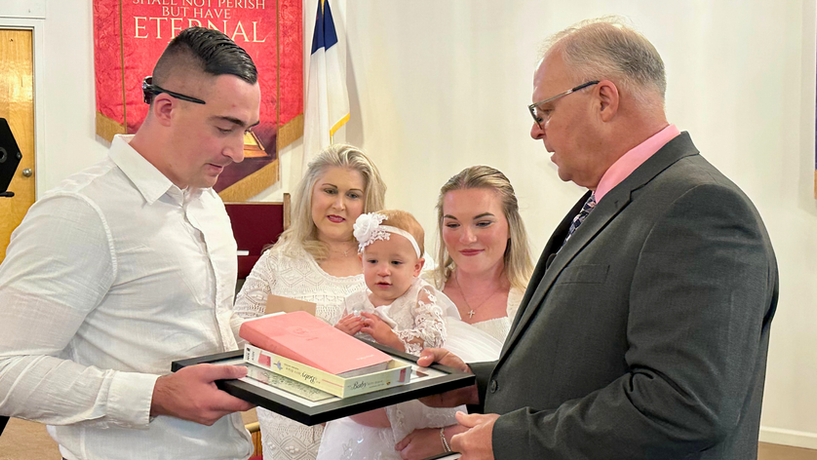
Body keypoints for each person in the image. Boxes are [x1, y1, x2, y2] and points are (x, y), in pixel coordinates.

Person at [418, 17, 778, 460]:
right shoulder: (616, 199)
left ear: (604, 99)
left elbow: (682, 404)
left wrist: (512, 439)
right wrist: (474, 383)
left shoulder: (699, 208)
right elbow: (588, 357)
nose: (536, 130)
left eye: (544, 111)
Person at [0, 27, 261, 459]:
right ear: (166, 108)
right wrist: (154, 395)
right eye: (225, 127)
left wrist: (260, 338)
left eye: (247, 130)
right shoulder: (81, 211)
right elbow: (7, 370)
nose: (238, 151)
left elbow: (195, 320)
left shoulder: (208, 204)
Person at [232, 144, 386, 460]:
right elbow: (238, 325)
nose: (339, 205)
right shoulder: (278, 260)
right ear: (310, 194)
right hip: (289, 423)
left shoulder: (384, 264)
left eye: (353, 195)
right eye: (329, 190)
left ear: (368, 204)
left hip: (362, 425)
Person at [394, 165, 534, 460]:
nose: (466, 238)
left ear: (511, 225)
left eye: (483, 223)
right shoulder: (412, 291)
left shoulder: (535, 299)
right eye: (453, 224)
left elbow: (544, 396)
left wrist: (448, 438)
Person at [318, 209, 462, 460]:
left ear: (417, 267)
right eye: (373, 262)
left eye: (396, 263)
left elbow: (434, 335)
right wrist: (339, 335)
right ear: (361, 260)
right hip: (360, 404)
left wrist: (394, 339)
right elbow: (337, 353)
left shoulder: (420, 295)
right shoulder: (355, 301)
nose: (383, 271)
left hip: (405, 396)